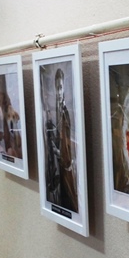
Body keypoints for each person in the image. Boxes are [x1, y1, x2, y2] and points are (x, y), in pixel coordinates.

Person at [45, 68, 78, 211]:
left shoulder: (66, 112)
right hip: (56, 164)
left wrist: (63, 155)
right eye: (56, 88)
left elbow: (69, 140)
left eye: (61, 88)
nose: (59, 92)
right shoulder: (51, 112)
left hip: (66, 164)